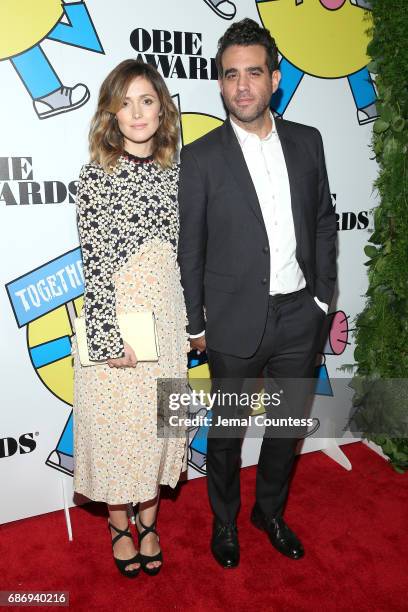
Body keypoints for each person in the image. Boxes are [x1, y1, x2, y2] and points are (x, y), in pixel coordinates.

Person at [178, 19, 337, 568]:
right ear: (219, 85)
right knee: (226, 435)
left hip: (300, 314)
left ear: (274, 78)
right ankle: (224, 521)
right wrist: (196, 324)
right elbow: (191, 250)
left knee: (287, 427)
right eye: (230, 75)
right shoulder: (199, 158)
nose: (242, 85)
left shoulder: (308, 141)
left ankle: (268, 511)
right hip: (232, 323)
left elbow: (321, 220)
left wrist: (322, 300)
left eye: (253, 73)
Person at [73, 60, 188, 578]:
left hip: (165, 312)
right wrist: (105, 336)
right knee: (119, 426)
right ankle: (119, 524)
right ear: (111, 113)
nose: (137, 112)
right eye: (125, 101)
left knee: (159, 424)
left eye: (147, 100)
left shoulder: (176, 173)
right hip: (118, 315)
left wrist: (188, 324)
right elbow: (94, 263)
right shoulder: (96, 177)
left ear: (162, 108)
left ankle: (150, 523)